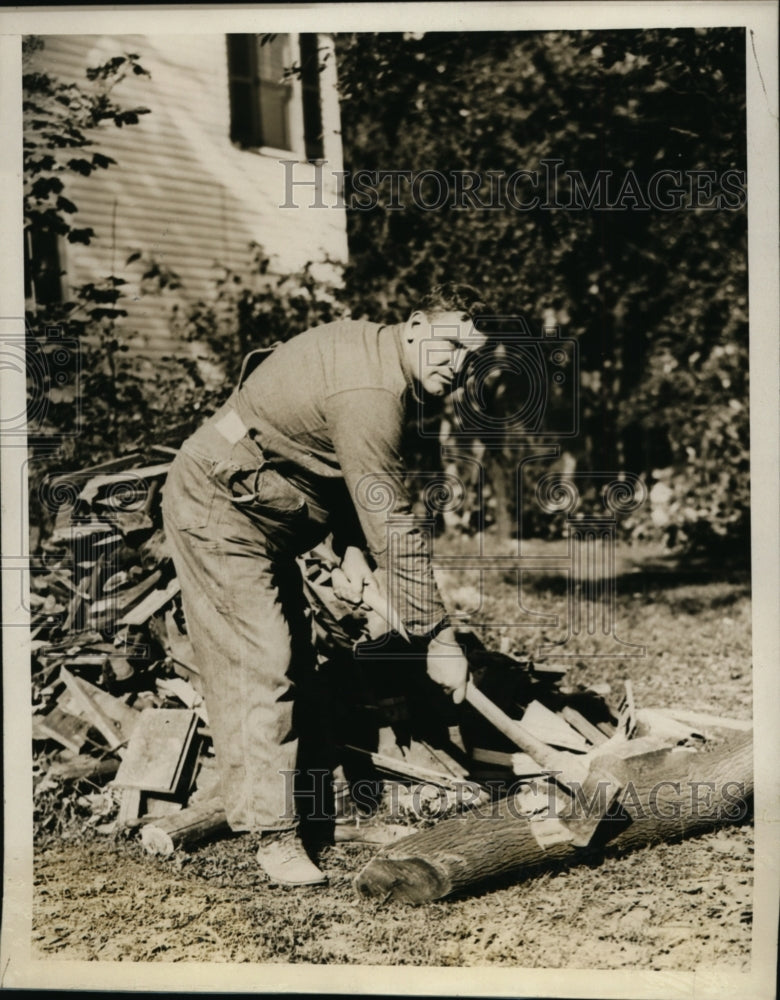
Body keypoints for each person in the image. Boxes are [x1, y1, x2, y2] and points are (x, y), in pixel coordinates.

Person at [161, 283, 491, 886]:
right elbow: (391, 515)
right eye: (448, 348)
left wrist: (350, 548)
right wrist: (438, 636)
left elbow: (342, 466)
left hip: (267, 508)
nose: (457, 368)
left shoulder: (399, 376)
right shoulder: (372, 389)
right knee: (260, 659)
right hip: (217, 508)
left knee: (291, 657)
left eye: (470, 359)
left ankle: (302, 799)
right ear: (416, 325)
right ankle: (273, 836)